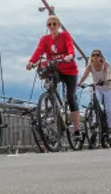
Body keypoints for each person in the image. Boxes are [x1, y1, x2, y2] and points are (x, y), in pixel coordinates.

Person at [26, 14, 82, 143]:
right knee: (49, 85)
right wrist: (31, 62)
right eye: (49, 24)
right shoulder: (45, 39)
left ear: (59, 25)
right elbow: (39, 51)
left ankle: (77, 129)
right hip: (55, 69)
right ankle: (53, 106)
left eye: (54, 24)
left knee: (71, 97)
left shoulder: (65, 36)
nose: (52, 26)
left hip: (69, 70)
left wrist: (70, 56)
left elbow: (70, 47)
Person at [78, 49, 111, 144]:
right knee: (96, 105)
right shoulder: (90, 66)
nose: (95, 57)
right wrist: (78, 83)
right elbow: (84, 76)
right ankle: (95, 123)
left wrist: (107, 80)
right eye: (93, 55)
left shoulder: (105, 65)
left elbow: (108, 73)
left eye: (97, 55)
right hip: (97, 87)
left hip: (109, 88)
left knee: (108, 109)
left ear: (100, 57)